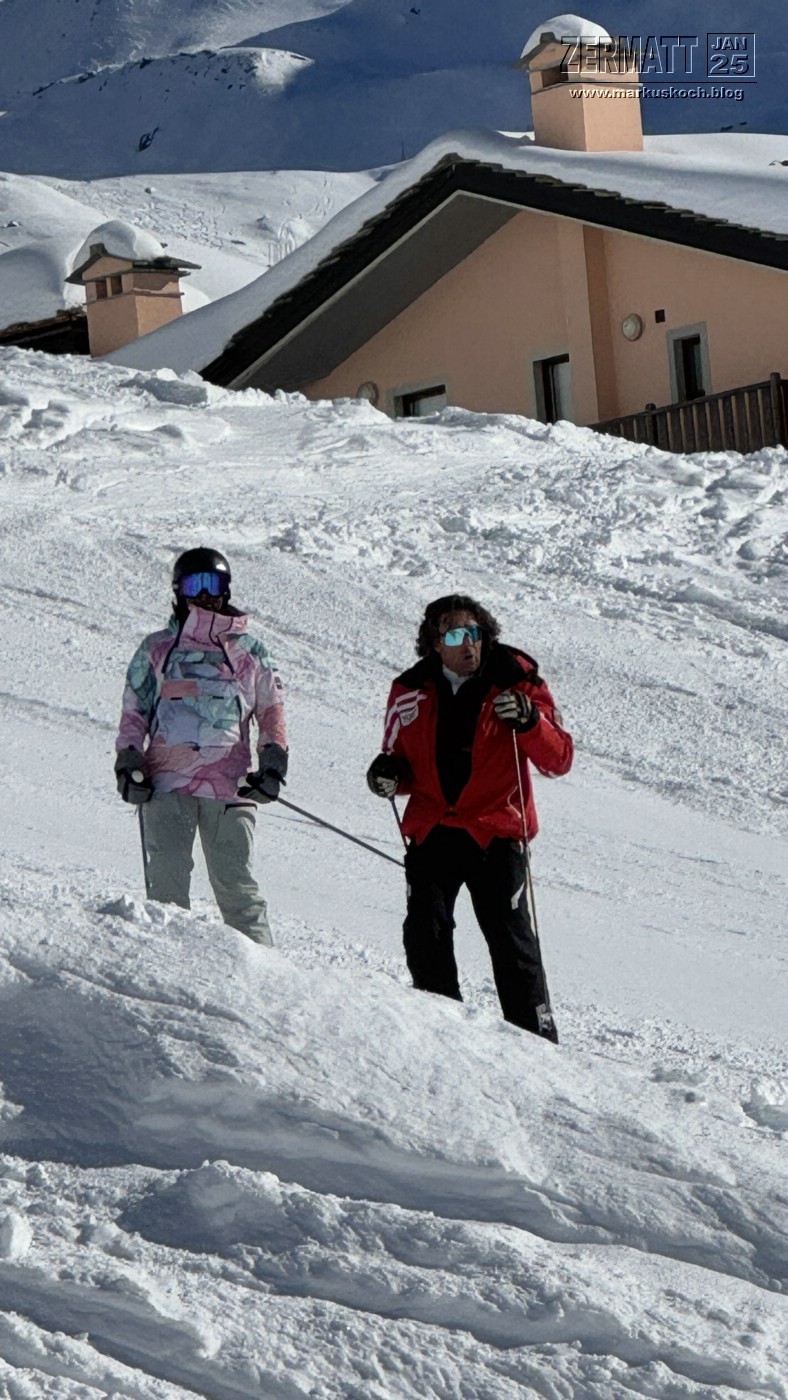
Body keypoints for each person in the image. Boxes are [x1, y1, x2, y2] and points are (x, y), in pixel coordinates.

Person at [366, 594, 573, 1041]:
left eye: (476, 633)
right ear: (434, 643)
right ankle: (444, 1034)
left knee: (510, 941)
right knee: (425, 931)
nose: (469, 645)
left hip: (495, 831)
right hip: (433, 827)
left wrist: (530, 722)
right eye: (457, 635)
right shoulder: (409, 689)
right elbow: (399, 763)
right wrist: (387, 777)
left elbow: (559, 760)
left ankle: (537, 1042)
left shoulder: (517, 681)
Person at [115, 547, 287, 945]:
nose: (207, 594)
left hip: (229, 785)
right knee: (167, 884)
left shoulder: (249, 652)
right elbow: (134, 711)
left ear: (227, 590)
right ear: (179, 590)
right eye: (197, 585)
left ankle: (265, 973)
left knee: (235, 884)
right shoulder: (157, 648)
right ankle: (170, 967)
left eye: (216, 584)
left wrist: (272, 764)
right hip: (166, 783)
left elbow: (271, 711)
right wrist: (129, 762)